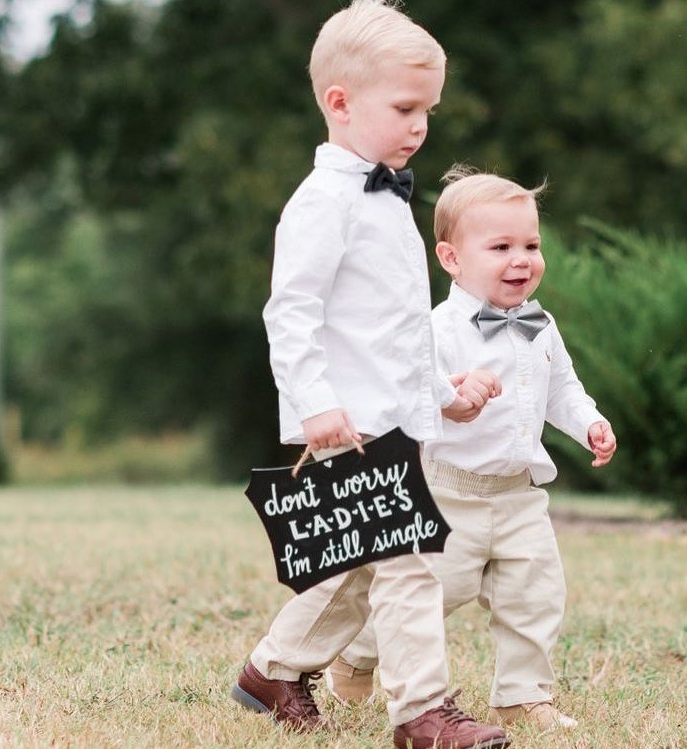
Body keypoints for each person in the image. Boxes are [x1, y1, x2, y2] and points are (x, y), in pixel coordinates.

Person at [231, 4, 510, 748]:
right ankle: (423, 713)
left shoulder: (388, 197)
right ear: (341, 103)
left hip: (396, 412)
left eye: (428, 110)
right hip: (350, 421)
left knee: (355, 563)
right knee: (410, 561)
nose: (420, 125)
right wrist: (315, 403)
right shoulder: (323, 204)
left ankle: (272, 668)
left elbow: (400, 327)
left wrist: (444, 394)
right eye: (405, 107)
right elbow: (288, 314)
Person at [326, 166, 618, 734]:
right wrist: (451, 394)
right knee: (429, 597)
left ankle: (521, 694)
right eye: (501, 246)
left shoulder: (542, 324)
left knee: (534, 594)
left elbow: (563, 389)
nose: (521, 259)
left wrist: (589, 423)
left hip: (518, 495)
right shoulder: (434, 331)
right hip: (448, 492)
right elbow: (405, 401)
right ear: (452, 259)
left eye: (531, 245)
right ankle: (359, 653)